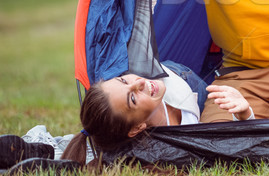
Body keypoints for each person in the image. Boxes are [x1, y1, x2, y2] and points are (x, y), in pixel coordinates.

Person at [61, 61, 253, 165]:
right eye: (133, 99)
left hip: (175, 73)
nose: (139, 82)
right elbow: (235, 145)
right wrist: (245, 114)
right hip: (197, 97)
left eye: (123, 80)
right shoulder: (163, 150)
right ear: (137, 128)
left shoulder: (145, 75)